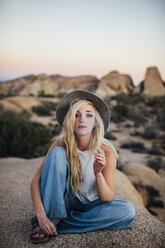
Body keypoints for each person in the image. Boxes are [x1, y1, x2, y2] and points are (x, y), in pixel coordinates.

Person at [30, 90, 136, 244]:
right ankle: (50, 219)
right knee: (58, 154)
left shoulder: (107, 151)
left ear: (95, 121)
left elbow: (107, 198)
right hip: (66, 200)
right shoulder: (61, 143)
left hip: (93, 207)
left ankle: (56, 224)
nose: (82, 120)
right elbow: (35, 182)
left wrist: (98, 173)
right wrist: (41, 216)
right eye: (76, 114)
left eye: (88, 115)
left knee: (127, 211)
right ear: (70, 120)